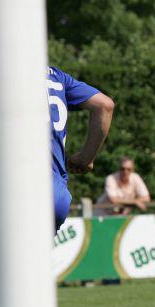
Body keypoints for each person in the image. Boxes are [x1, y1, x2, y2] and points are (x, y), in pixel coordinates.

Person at [48, 66, 114, 231]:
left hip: (13, 188)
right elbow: (105, 105)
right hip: (56, 193)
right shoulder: (56, 76)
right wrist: (86, 158)